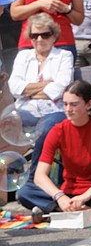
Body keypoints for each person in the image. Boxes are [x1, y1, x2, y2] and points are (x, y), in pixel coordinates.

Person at [16, 80, 91, 222]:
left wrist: (85, 196)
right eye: (65, 104)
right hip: (67, 195)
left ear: (89, 105)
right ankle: (86, 211)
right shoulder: (58, 130)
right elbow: (39, 176)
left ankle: (60, 212)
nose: (68, 109)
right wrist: (60, 197)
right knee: (24, 192)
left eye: (74, 104)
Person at [7, 13, 74, 162]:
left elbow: (60, 88)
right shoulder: (23, 56)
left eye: (45, 35)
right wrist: (47, 86)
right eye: (34, 35)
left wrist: (27, 92)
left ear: (53, 36)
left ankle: (34, 174)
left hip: (55, 109)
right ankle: (9, 171)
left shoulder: (64, 55)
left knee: (46, 127)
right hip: (24, 109)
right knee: (5, 122)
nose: (39, 39)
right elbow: (14, 87)